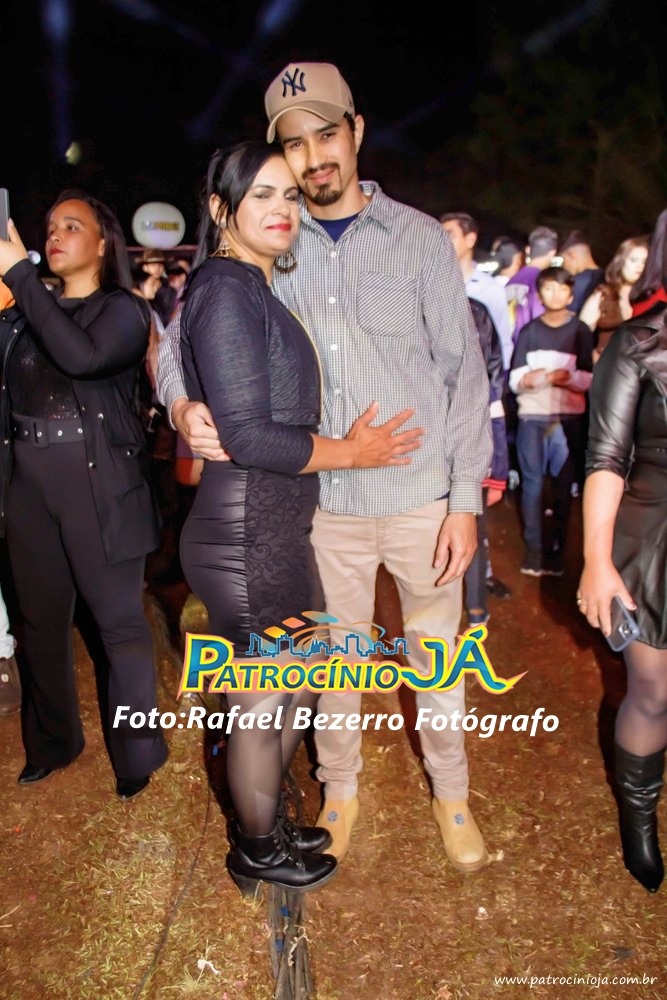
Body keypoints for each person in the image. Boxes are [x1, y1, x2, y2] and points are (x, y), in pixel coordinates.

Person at [158, 61, 493, 872]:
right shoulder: (272, 235)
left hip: (418, 495)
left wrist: (463, 500)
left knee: (436, 660)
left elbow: (463, 374)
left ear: (356, 132)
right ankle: (338, 789)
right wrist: (180, 404)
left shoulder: (417, 238)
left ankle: (451, 794)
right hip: (322, 504)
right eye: (294, 143)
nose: (313, 157)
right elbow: (175, 341)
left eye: (326, 134)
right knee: (330, 663)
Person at [178, 140, 424, 892]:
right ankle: (257, 847)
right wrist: (353, 453)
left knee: (302, 677)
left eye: (289, 194)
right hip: (245, 534)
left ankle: (266, 820)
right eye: (261, 194)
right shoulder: (226, 287)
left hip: (275, 530)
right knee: (263, 696)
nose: (282, 208)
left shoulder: (252, 286)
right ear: (220, 209)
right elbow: (250, 436)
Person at [0, 189, 168, 798]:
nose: (55, 234)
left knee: (118, 624)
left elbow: (82, 357)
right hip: (28, 484)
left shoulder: (122, 310)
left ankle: (138, 752)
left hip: (97, 487)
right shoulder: (23, 315)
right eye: (50, 226)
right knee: (40, 622)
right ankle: (54, 742)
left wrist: (21, 278)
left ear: (103, 244)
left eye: (73, 226)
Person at [577, 207, 667, 894]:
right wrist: (597, 561)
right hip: (653, 537)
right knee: (654, 691)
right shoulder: (637, 343)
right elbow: (606, 460)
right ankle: (639, 822)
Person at [509, 265, 593, 576]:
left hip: (567, 420)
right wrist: (554, 376)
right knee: (531, 485)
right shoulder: (529, 332)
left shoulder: (580, 331)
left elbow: (587, 380)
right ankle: (533, 551)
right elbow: (516, 381)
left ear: (571, 294)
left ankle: (557, 551)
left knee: (562, 485)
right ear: (539, 294)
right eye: (548, 288)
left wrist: (545, 377)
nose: (555, 294)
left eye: (561, 288)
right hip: (532, 418)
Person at [439, 212, 514, 371]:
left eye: (450, 236)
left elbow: (502, 340)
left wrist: (500, 380)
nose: (442, 242)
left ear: (470, 239)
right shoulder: (432, 285)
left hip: (476, 377)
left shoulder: (490, 289)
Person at [579, 235, 649, 362]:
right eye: (633, 260)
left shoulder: (649, 297)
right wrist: (591, 357)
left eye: (644, 262)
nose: (640, 266)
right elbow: (581, 334)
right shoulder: (603, 294)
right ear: (620, 261)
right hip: (606, 365)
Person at [506, 225, 560, 346]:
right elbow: (542, 320)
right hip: (530, 348)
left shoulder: (512, 280)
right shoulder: (543, 282)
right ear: (552, 252)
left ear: (528, 249)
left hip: (509, 346)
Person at [559, 229, 605, 314]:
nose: (563, 266)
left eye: (563, 260)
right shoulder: (606, 278)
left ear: (571, 255)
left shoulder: (575, 283)